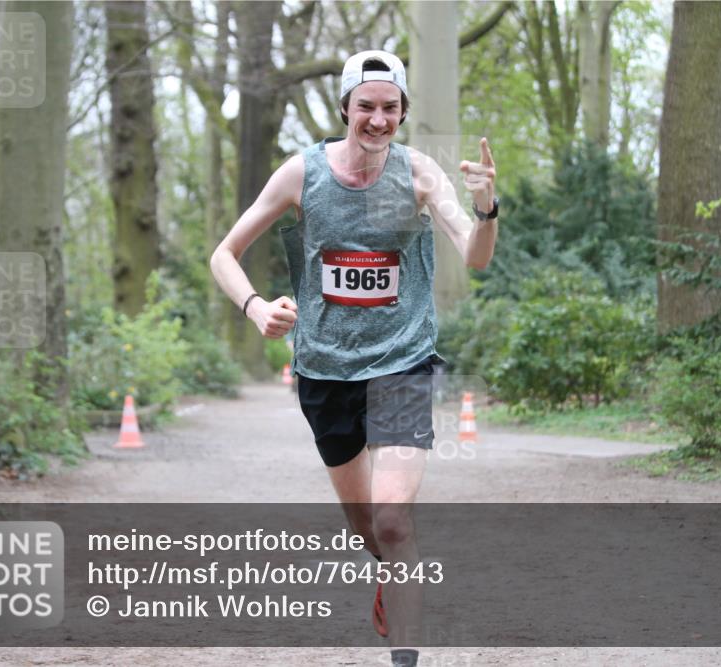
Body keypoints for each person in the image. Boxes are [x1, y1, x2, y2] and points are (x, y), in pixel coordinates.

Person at [210, 50, 499, 666]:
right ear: (345, 108)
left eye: (389, 107)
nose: (377, 118)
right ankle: (392, 581)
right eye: (365, 106)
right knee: (369, 528)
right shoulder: (302, 174)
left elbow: (474, 255)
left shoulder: (421, 175)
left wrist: (486, 207)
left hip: (403, 362)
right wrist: (256, 307)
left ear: (403, 112)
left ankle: (406, 654)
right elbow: (224, 254)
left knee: (393, 521)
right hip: (324, 370)